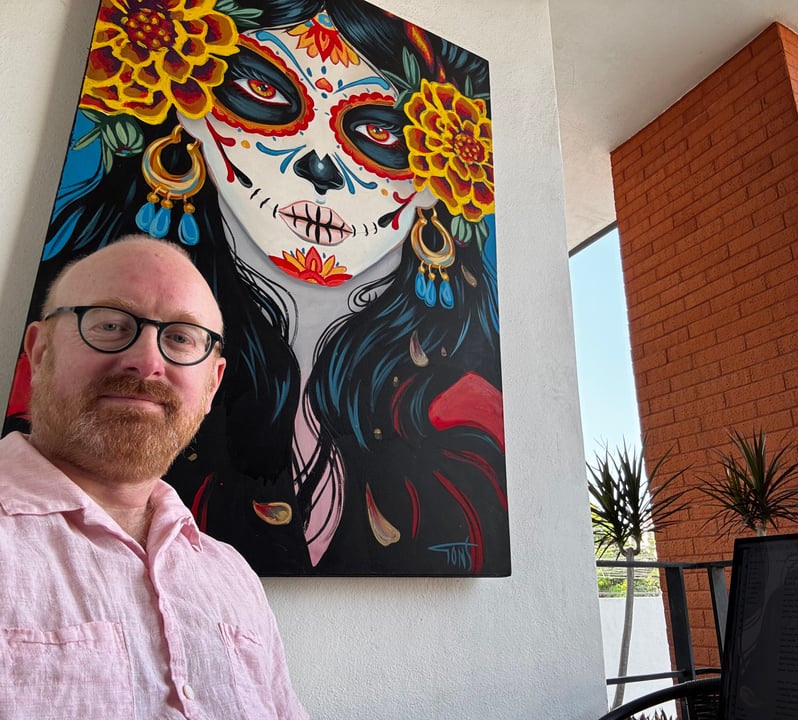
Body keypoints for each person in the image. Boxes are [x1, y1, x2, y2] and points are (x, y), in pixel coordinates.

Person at [5, 0, 509, 577]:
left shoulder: (467, 409)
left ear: (432, 181)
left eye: (376, 131)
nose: (320, 165)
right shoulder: (76, 363)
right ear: (194, 112)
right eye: (267, 95)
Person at [0, 236, 308, 719]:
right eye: (109, 324)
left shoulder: (232, 577)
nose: (146, 362)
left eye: (181, 337)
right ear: (39, 354)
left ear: (212, 384)